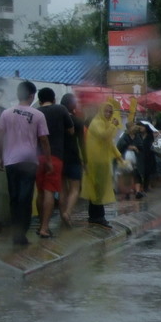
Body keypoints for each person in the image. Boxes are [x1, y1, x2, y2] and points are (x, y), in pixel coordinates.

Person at [0, 80, 51, 246]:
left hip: (10, 161)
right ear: (32, 95)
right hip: (28, 161)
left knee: (14, 197)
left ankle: (16, 233)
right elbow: (44, 140)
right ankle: (21, 233)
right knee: (25, 198)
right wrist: (48, 161)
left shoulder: (6, 113)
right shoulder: (38, 115)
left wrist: (0, 156)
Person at [35, 88, 74, 238]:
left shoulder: (37, 112)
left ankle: (40, 224)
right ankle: (45, 228)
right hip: (55, 156)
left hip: (38, 156)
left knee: (39, 192)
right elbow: (70, 130)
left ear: (39, 100)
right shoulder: (61, 109)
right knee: (49, 191)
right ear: (54, 99)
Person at [81, 100, 124, 228]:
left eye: (110, 111)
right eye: (106, 111)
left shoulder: (105, 123)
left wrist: (120, 158)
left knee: (99, 189)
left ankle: (96, 216)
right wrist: (113, 126)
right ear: (100, 111)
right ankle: (97, 216)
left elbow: (110, 144)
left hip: (102, 162)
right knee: (97, 189)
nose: (108, 113)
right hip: (95, 162)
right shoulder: (97, 123)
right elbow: (103, 136)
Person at [59, 93, 85, 228]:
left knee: (62, 189)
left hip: (59, 157)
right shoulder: (77, 121)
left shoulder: (57, 120)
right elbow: (82, 143)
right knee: (75, 189)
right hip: (73, 157)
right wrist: (85, 159)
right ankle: (68, 213)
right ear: (72, 105)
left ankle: (62, 214)